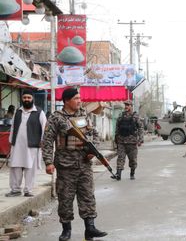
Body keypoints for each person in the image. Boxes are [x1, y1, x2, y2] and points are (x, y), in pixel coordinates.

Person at [42, 88, 107, 241]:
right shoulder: (56, 118)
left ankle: (90, 228)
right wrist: (48, 162)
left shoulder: (84, 115)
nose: (79, 101)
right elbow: (47, 141)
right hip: (65, 165)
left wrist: (94, 150)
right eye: (76, 98)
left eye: (80, 98)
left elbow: (94, 134)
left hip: (84, 163)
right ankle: (66, 230)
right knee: (65, 199)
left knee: (88, 197)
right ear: (66, 100)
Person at [6, 89, 46, 197]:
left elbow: (44, 129)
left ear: (32, 98)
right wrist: (11, 141)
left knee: (30, 168)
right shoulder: (18, 112)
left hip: (32, 146)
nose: (26, 99)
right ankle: (15, 190)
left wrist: (42, 142)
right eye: (24, 98)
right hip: (17, 146)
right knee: (15, 167)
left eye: (28, 97)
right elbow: (13, 127)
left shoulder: (39, 112)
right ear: (22, 99)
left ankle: (28, 190)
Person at [113, 100, 144, 180]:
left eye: (128, 105)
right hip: (121, 142)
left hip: (132, 142)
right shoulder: (121, 116)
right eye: (125, 105)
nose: (126, 106)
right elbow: (117, 128)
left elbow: (140, 127)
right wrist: (116, 139)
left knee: (133, 159)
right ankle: (118, 174)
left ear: (131, 106)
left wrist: (140, 139)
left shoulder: (135, 117)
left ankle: (132, 173)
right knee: (120, 158)